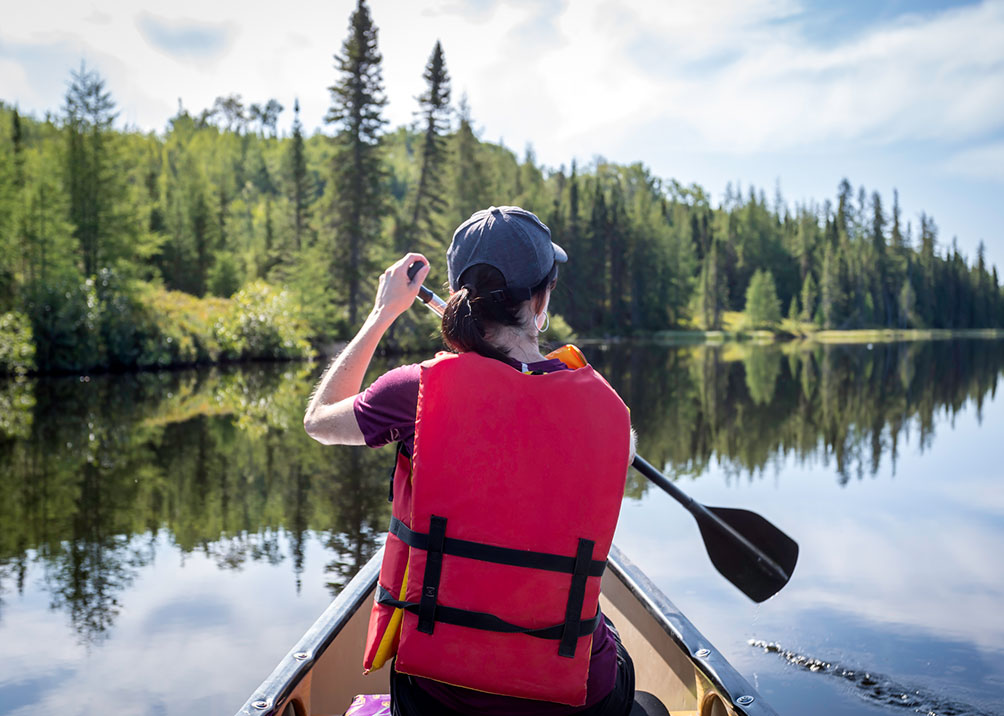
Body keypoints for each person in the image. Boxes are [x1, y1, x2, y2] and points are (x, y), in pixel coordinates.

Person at [304, 206, 636, 716]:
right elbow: (617, 448)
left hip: (442, 696)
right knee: (611, 648)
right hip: (579, 700)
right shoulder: (610, 412)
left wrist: (383, 313)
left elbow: (320, 421)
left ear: (461, 295)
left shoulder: (415, 391)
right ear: (542, 297)